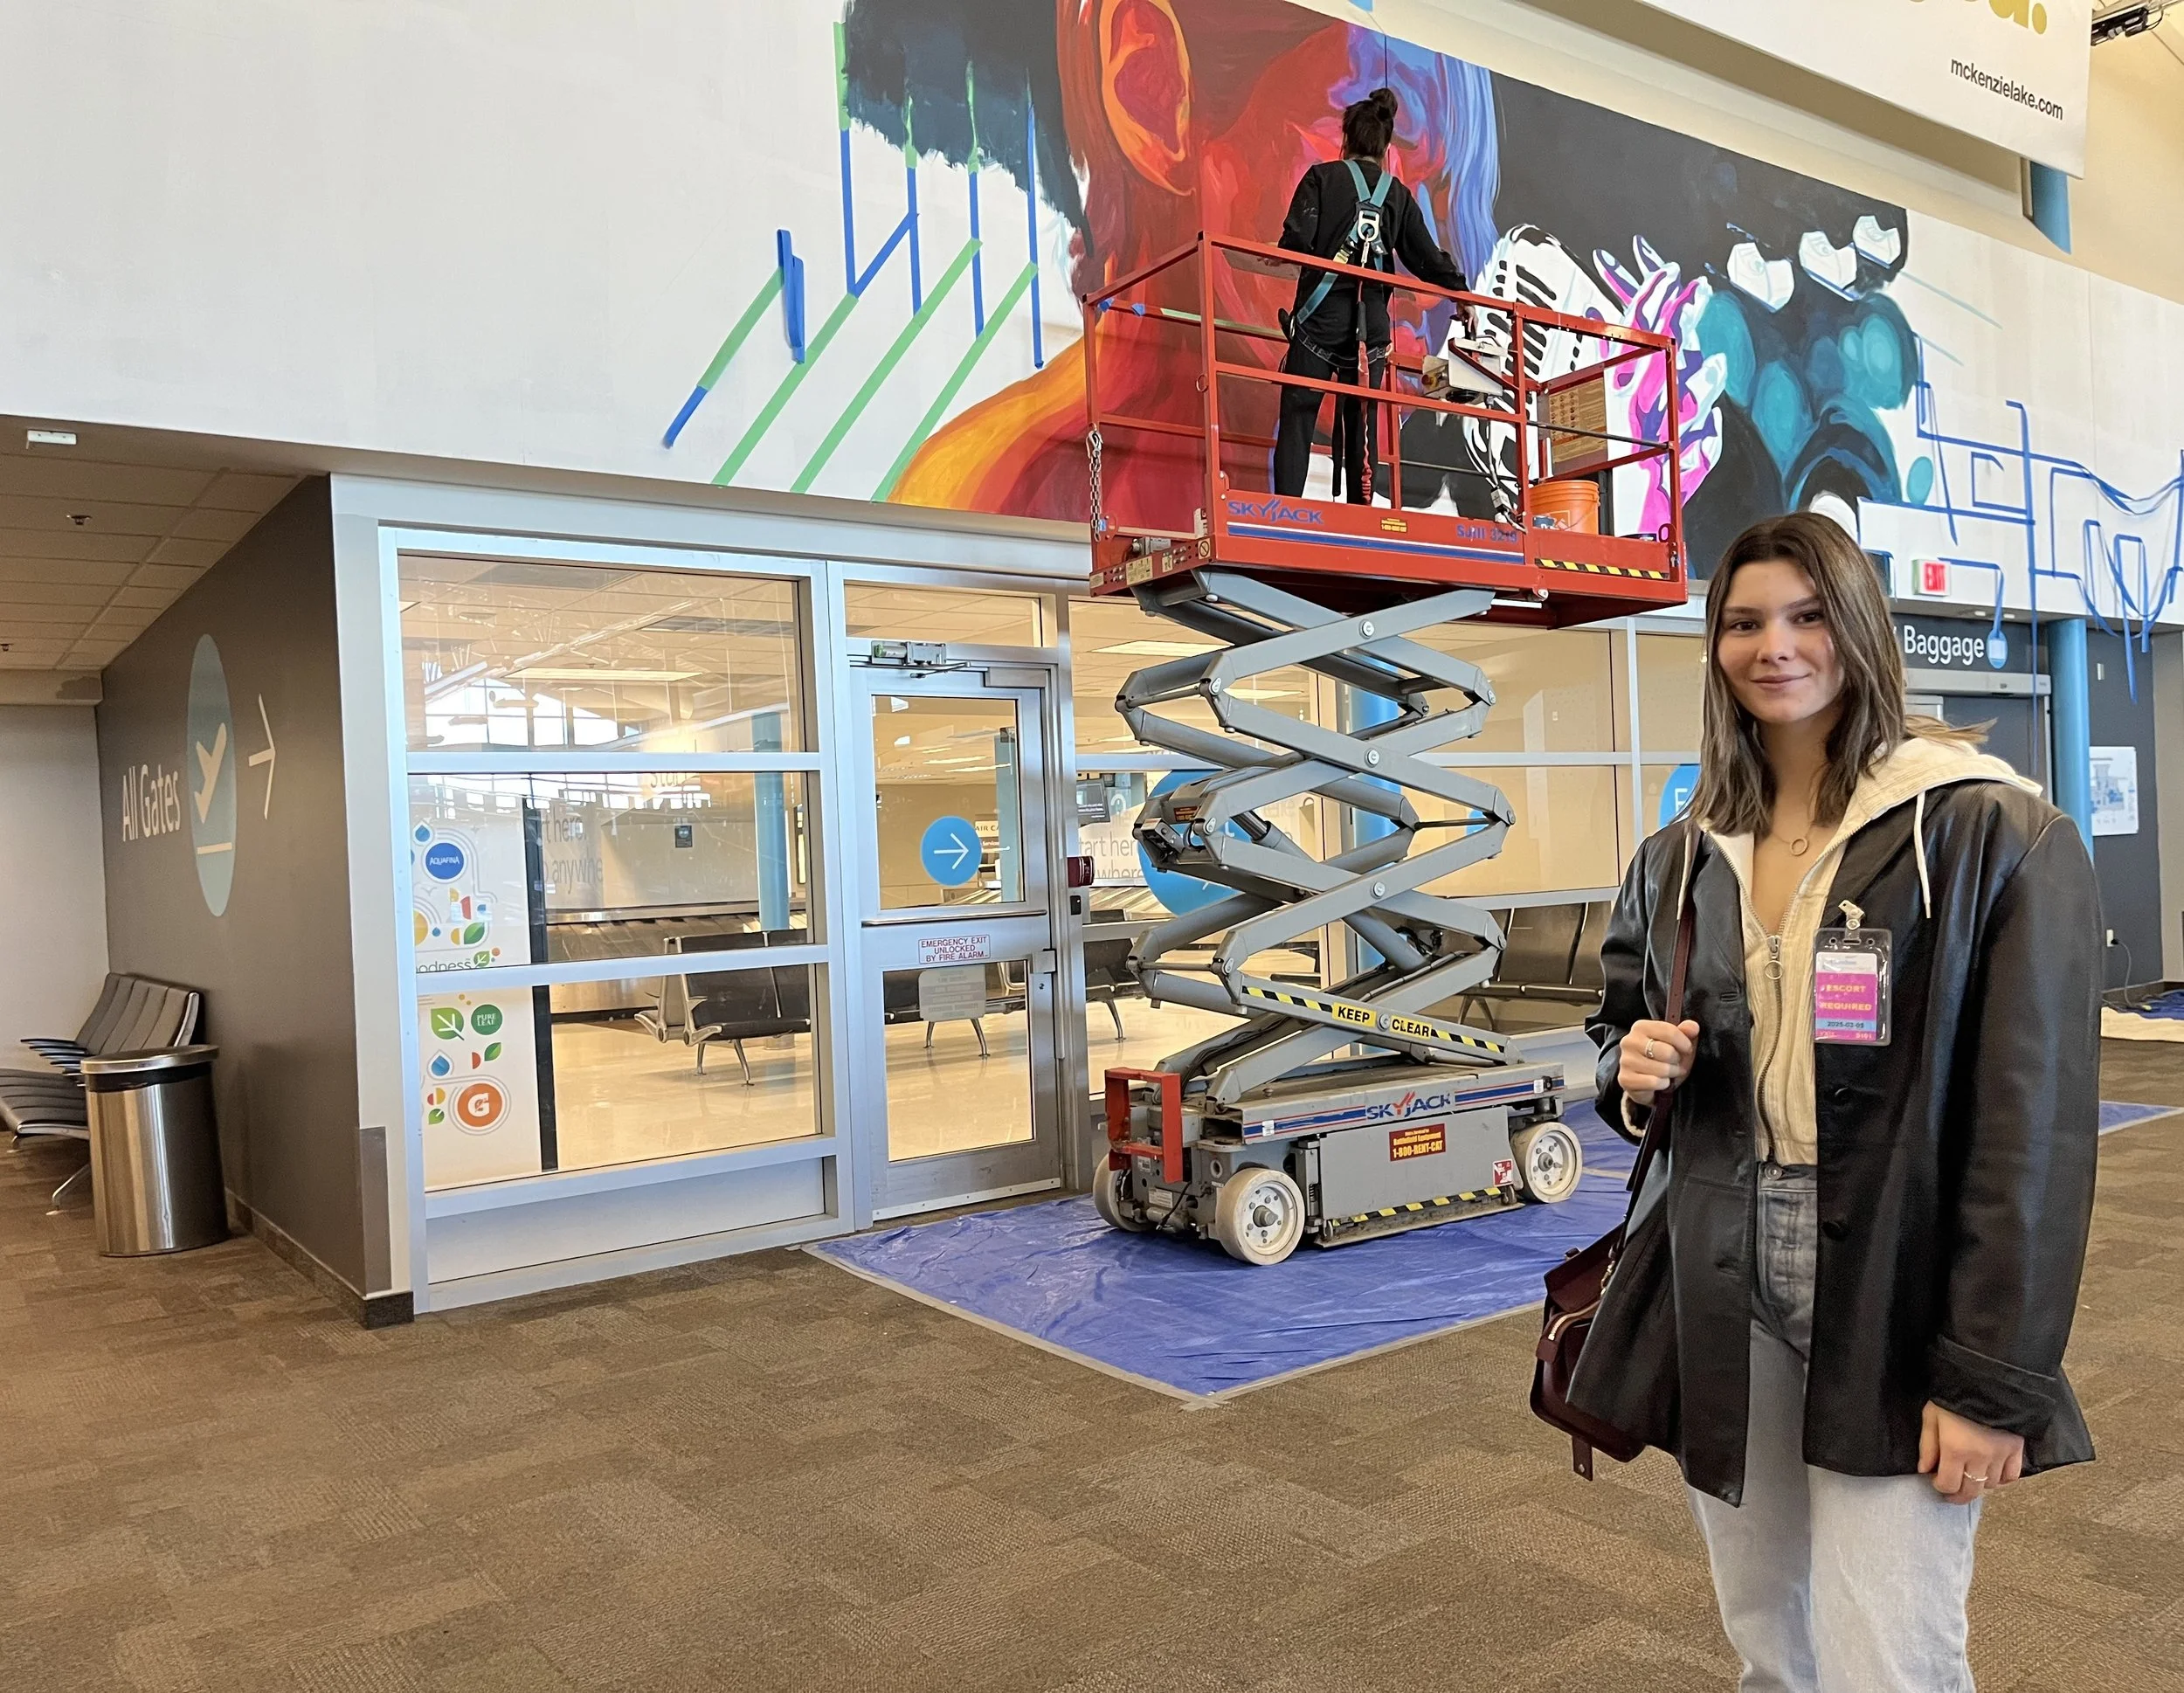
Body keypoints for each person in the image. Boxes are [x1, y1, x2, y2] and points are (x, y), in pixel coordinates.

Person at [1571, 511, 2101, 1691]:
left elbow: (2035, 1135)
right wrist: (1628, 1070)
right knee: (1766, 1626)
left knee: (1888, 1648)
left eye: (1808, 615)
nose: (1777, 645)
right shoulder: (1680, 853)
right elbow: (1617, 1034)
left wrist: (1990, 1381)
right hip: (1720, 1262)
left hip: (1894, 1272)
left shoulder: (1987, 828)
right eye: (1745, 621)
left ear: (1860, 628)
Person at [1271, 86, 1467, 501]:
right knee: (1362, 423)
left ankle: (1286, 508)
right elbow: (1427, 258)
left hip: (1318, 325)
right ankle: (1361, 514)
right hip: (1368, 334)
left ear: (1346, 140)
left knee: (1299, 417)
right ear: (1385, 148)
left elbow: (1296, 242)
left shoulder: (1321, 180)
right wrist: (1461, 292)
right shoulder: (1398, 197)